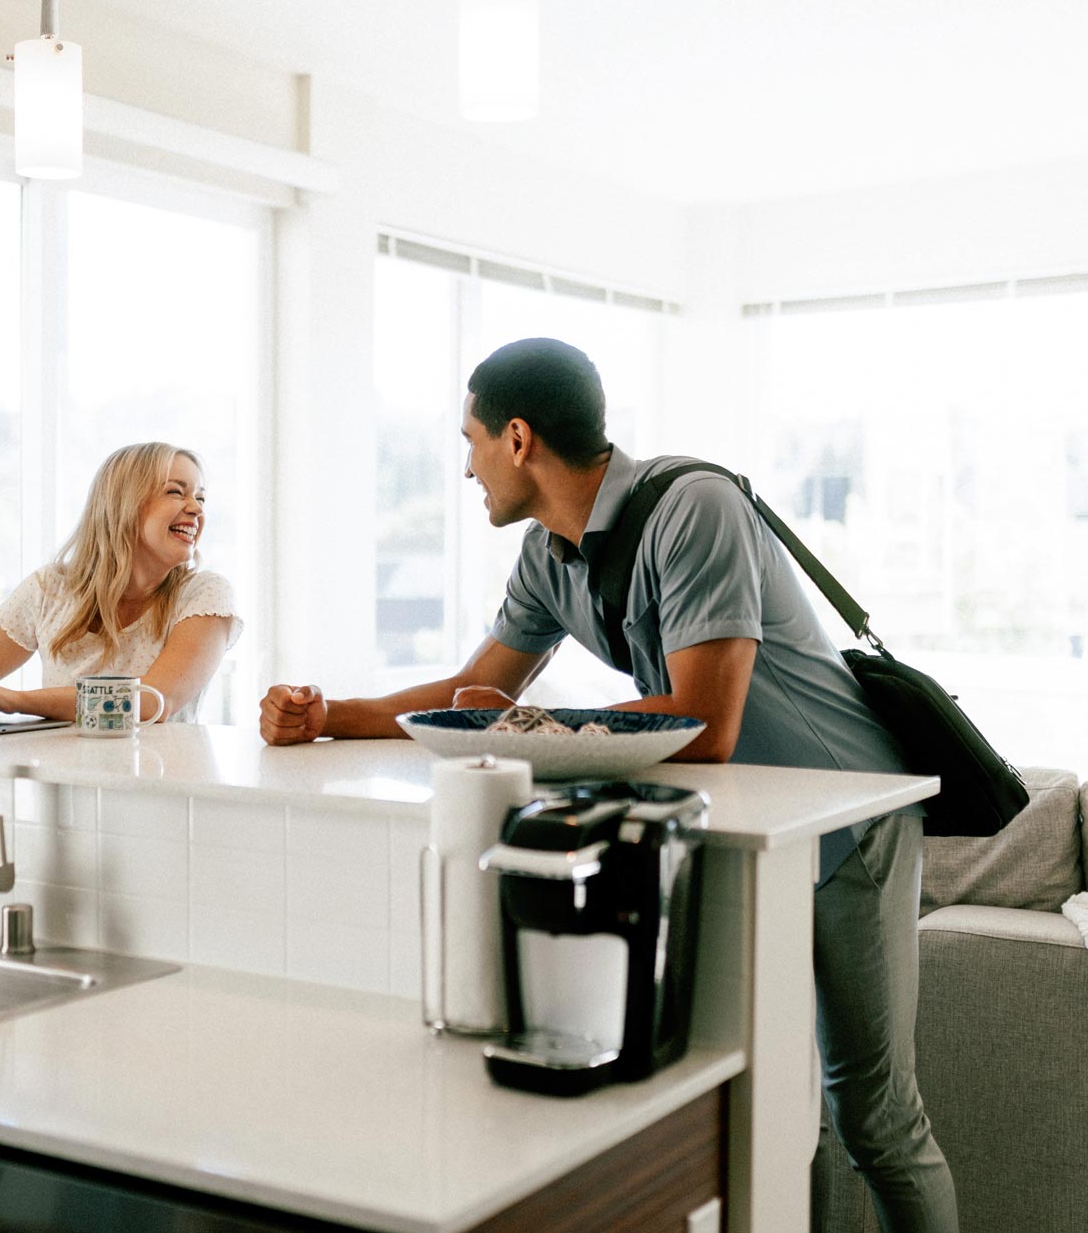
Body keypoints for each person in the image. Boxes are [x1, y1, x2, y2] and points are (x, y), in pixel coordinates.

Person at [260, 338, 959, 1233]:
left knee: (876, 1118)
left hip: (848, 820)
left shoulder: (694, 507)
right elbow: (478, 687)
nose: (464, 467)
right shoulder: (550, 554)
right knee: (783, 1115)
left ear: (518, 440)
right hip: (749, 828)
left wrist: (539, 727)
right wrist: (326, 715)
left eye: (469, 440)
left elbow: (708, 723)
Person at [0, 441, 241, 723]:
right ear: (125, 503)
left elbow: (152, 702)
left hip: (158, 768)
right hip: (61, 767)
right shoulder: (49, 589)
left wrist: (16, 701)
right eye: (175, 492)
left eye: (201, 498)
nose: (196, 508)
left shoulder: (205, 596)